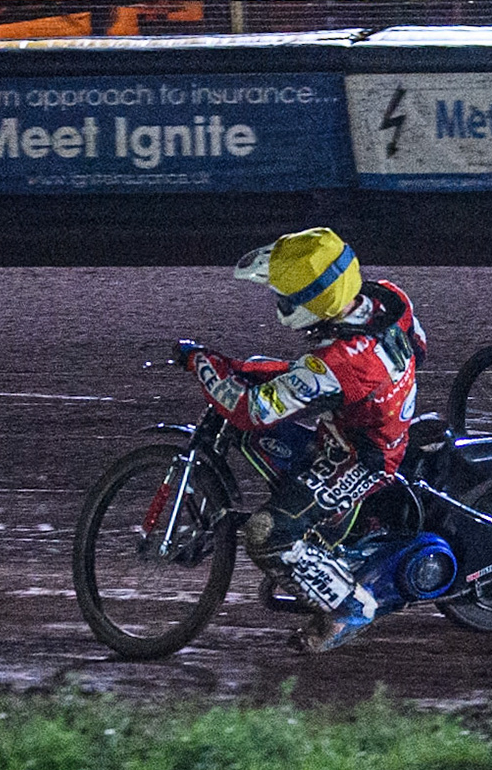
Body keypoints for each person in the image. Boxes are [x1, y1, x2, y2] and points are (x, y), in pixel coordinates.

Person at [178, 226, 427, 653]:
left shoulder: (335, 363)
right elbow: (419, 346)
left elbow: (252, 411)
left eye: (286, 295)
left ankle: (351, 607)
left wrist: (204, 365)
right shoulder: (388, 297)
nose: (279, 301)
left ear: (310, 303)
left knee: (266, 533)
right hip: (365, 421)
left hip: (363, 455)